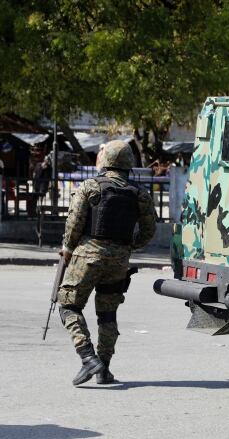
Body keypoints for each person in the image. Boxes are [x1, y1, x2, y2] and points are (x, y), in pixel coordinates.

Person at [57, 140, 157, 386]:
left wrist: (68, 248)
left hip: (88, 257)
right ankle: (104, 369)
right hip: (119, 260)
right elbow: (149, 230)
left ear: (107, 160)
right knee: (107, 314)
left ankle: (88, 358)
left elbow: (74, 223)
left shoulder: (91, 186)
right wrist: (129, 246)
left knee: (68, 306)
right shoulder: (139, 193)